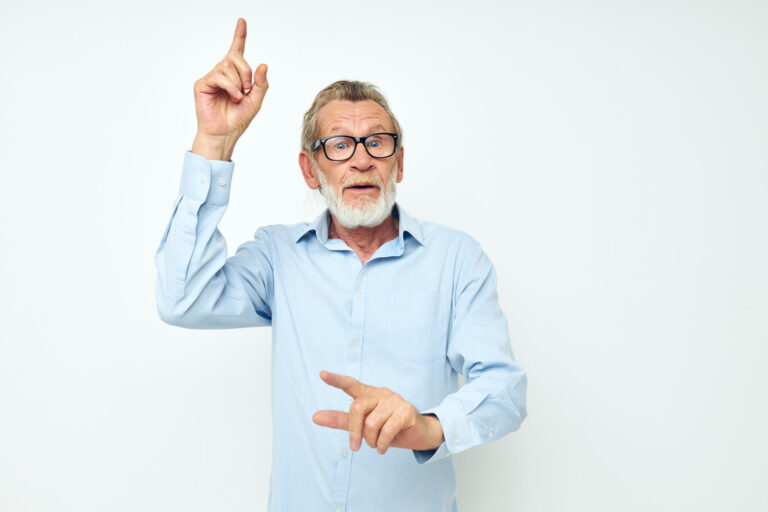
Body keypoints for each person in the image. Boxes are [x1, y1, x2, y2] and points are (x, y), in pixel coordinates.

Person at [155, 17, 527, 512]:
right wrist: (214, 143)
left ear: (399, 162)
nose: (361, 160)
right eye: (339, 145)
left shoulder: (457, 259)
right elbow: (181, 299)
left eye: (378, 142)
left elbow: (504, 388)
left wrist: (427, 427)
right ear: (311, 169)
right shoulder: (277, 256)